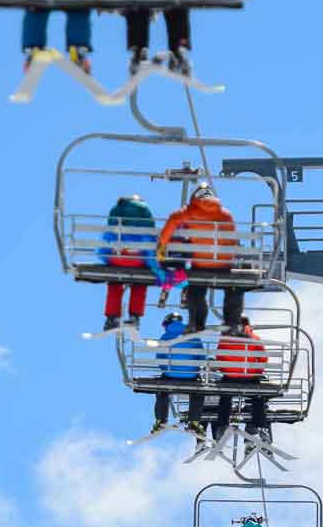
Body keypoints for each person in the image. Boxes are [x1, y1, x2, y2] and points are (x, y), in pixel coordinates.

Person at [155, 182, 244, 338]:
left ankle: (196, 323)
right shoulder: (226, 214)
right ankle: (232, 324)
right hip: (224, 265)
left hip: (201, 265)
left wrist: (162, 245)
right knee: (234, 288)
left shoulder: (190, 212)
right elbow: (232, 241)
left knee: (195, 289)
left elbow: (173, 220)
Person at [98, 193, 157, 330]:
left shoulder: (117, 208)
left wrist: (107, 255)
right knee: (139, 283)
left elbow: (109, 229)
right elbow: (151, 231)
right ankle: (134, 317)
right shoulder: (144, 209)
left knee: (115, 284)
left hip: (117, 257)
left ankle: (111, 318)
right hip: (138, 258)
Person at [214, 317, 271, 443]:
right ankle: (260, 425)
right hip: (250, 378)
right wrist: (256, 373)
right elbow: (263, 359)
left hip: (231, 378)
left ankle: (222, 424)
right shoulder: (254, 338)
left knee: (225, 397)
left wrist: (226, 371)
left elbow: (219, 359)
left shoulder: (225, 339)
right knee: (257, 398)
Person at [151, 311, 202, 434]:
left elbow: (159, 359)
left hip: (170, 375)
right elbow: (201, 356)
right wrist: (195, 369)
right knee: (199, 391)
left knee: (161, 389)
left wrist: (167, 369)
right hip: (191, 376)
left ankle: (161, 419)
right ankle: (194, 421)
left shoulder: (165, 337)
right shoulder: (193, 335)